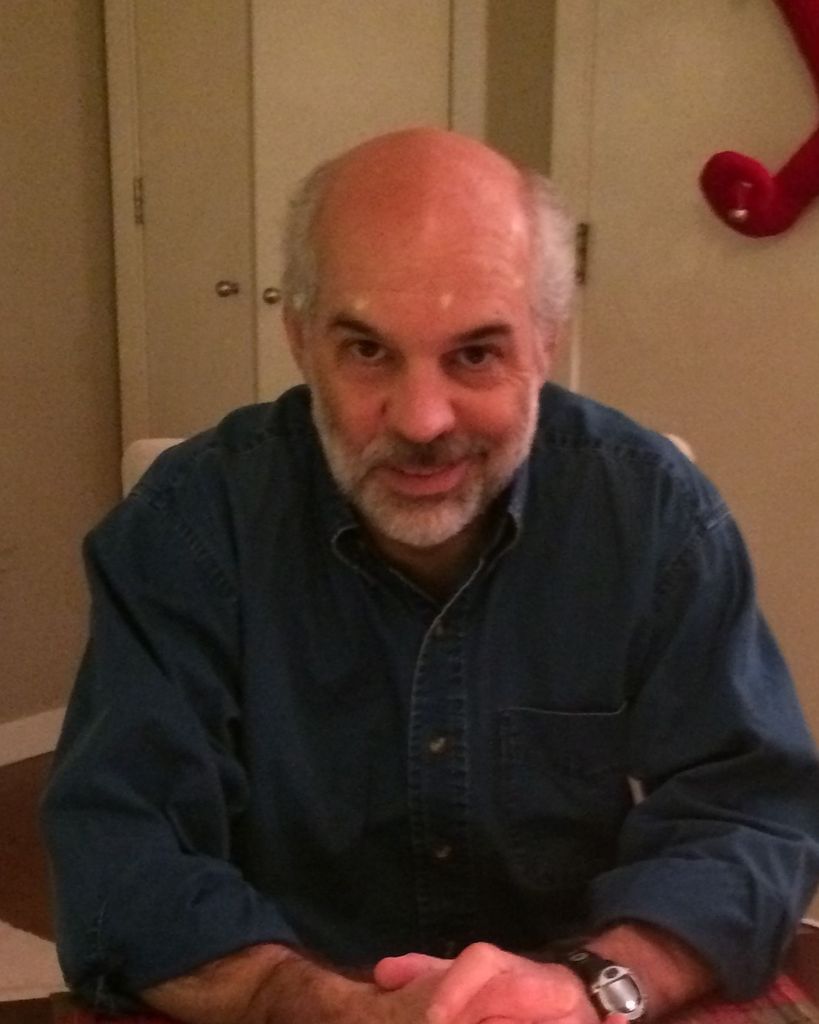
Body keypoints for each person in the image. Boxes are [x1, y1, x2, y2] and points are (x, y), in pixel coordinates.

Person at [42, 128, 819, 1024]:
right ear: (299, 339)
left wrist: (589, 987)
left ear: (547, 342)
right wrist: (339, 1011)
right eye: (367, 350)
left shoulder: (652, 515)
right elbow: (119, 854)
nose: (420, 420)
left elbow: (750, 812)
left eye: (475, 353)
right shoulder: (187, 529)